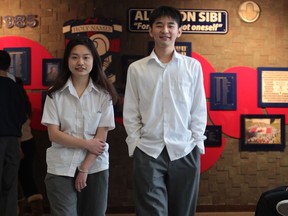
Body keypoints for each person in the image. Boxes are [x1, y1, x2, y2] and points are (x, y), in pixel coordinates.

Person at [123, 6, 207, 216]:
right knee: (152, 212)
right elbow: (131, 109)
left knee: (183, 212)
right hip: (149, 150)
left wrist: (197, 141)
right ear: (150, 31)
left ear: (179, 31)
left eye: (171, 25)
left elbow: (198, 108)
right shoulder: (137, 69)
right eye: (159, 25)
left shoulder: (192, 66)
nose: (165, 30)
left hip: (185, 149)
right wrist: (135, 143)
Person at [41, 37, 117, 216]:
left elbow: (100, 139)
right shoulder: (55, 94)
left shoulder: (104, 96)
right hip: (60, 166)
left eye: (86, 57)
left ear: (94, 61)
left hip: (95, 166)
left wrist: (84, 168)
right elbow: (54, 134)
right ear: (67, 60)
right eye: (74, 57)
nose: (80, 62)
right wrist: (86, 143)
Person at [0, 50, 27, 216]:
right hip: (12, 140)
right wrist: (18, 145)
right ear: (9, 65)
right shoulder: (16, 89)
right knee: (10, 185)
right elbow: (21, 117)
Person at [16, 77, 44, 216]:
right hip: (29, 142)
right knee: (26, 177)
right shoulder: (25, 103)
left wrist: (18, 147)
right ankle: (36, 210)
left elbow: (17, 128)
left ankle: (20, 209)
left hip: (20, 143)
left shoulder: (14, 102)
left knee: (17, 177)